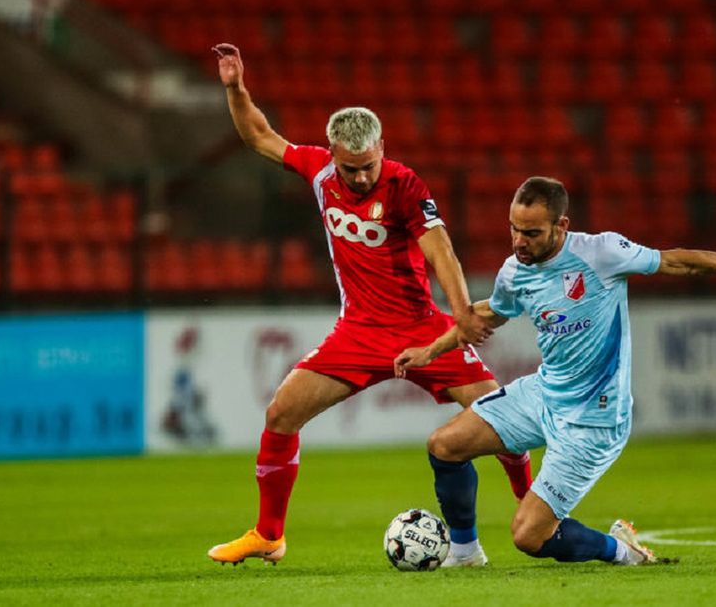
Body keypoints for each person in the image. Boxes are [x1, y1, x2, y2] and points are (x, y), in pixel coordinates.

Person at [206, 43, 532, 566]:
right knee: (281, 413)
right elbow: (260, 136)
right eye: (350, 169)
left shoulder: (404, 185)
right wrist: (235, 89)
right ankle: (269, 534)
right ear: (333, 153)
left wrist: (463, 312)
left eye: (368, 167)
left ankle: (533, 507)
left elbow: (438, 247)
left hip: (422, 328)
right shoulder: (318, 173)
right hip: (357, 333)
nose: (360, 178)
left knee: (504, 420)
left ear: (382, 146)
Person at [395, 176, 716, 566]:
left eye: (531, 232)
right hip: (544, 394)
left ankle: (622, 551)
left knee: (529, 536)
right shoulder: (515, 270)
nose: (518, 241)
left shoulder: (602, 253)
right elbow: (486, 315)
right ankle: (465, 554)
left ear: (561, 225)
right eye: (514, 229)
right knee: (444, 446)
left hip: (593, 420)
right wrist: (430, 351)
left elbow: (675, 260)